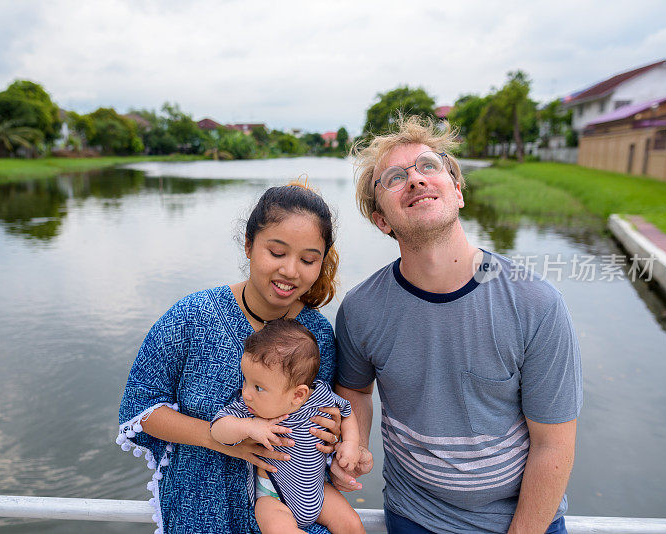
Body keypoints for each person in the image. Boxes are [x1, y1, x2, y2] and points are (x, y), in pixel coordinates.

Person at [330, 116, 582, 534]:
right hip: (416, 515)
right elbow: (356, 389)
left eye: (429, 166)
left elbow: (553, 443)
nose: (415, 180)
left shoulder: (536, 303)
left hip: (524, 520)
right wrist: (353, 441)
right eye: (394, 177)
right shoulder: (361, 310)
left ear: (458, 191)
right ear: (382, 221)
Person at [118, 183, 344, 534]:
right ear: (249, 245)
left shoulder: (317, 335)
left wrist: (336, 436)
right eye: (277, 252)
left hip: (291, 517)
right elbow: (139, 410)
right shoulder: (191, 317)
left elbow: (322, 413)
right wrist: (218, 437)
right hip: (200, 513)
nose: (290, 271)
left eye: (308, 259)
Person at [211, 319, 365, 534]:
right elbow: (217, 429)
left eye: (258, 387)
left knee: (352, 525)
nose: (246, 392)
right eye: (245, 380)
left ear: (298, 394)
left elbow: (347, 413)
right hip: (273, 496)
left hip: (317, 490)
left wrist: (350, 443)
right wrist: (249, 427)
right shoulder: (251, 411)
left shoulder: (319, 395)